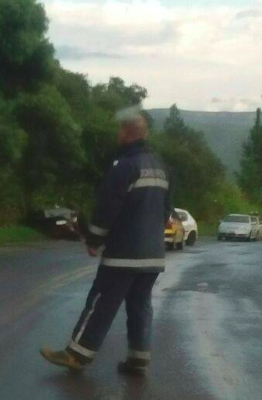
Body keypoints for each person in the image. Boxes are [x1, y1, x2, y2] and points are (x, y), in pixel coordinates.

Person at [40, 107, 173, 376]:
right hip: (153, 254)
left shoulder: (124, 166)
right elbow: (167, 211)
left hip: (124, 253)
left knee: (102, 301)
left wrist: (94, 239)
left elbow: (107, 208)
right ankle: (138, 359)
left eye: (119, 130)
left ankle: (77, 354)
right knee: (140, 305)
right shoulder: (162, 167)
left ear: (125, 133)